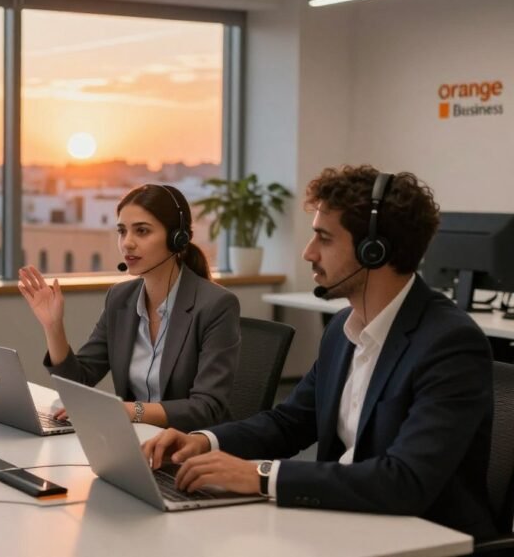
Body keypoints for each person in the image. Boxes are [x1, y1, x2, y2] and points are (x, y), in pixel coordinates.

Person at [142, 166, 498, 540]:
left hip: (423, 538)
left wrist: (260, 476)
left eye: (324, 239)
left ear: (374, 251)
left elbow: (405, 481)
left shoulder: (449, 343)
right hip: (342, 522)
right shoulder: (343, 330)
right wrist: (202, 440)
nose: (308, 253)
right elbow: (290, 422)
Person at [19, 183, 240, 429]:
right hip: (134, 441)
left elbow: (206, 408)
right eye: (122, 231)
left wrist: (125, 410)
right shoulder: (120, 298)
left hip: (189, 448)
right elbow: (78, 380)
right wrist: (53, 326)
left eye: (142, 231)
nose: (127, 243)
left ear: (177, 238)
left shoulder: (216, 305)